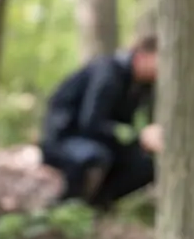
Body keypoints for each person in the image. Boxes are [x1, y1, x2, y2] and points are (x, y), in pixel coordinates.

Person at [40, 34, 159, 208]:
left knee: (146, 166)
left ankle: (96, 206)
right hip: (65, 138)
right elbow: (90, 122)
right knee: (95, 157)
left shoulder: (141, 85)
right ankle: (67, 208)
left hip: (100, 141)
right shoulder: (108, 72)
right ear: (142, 56)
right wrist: (137, 136)